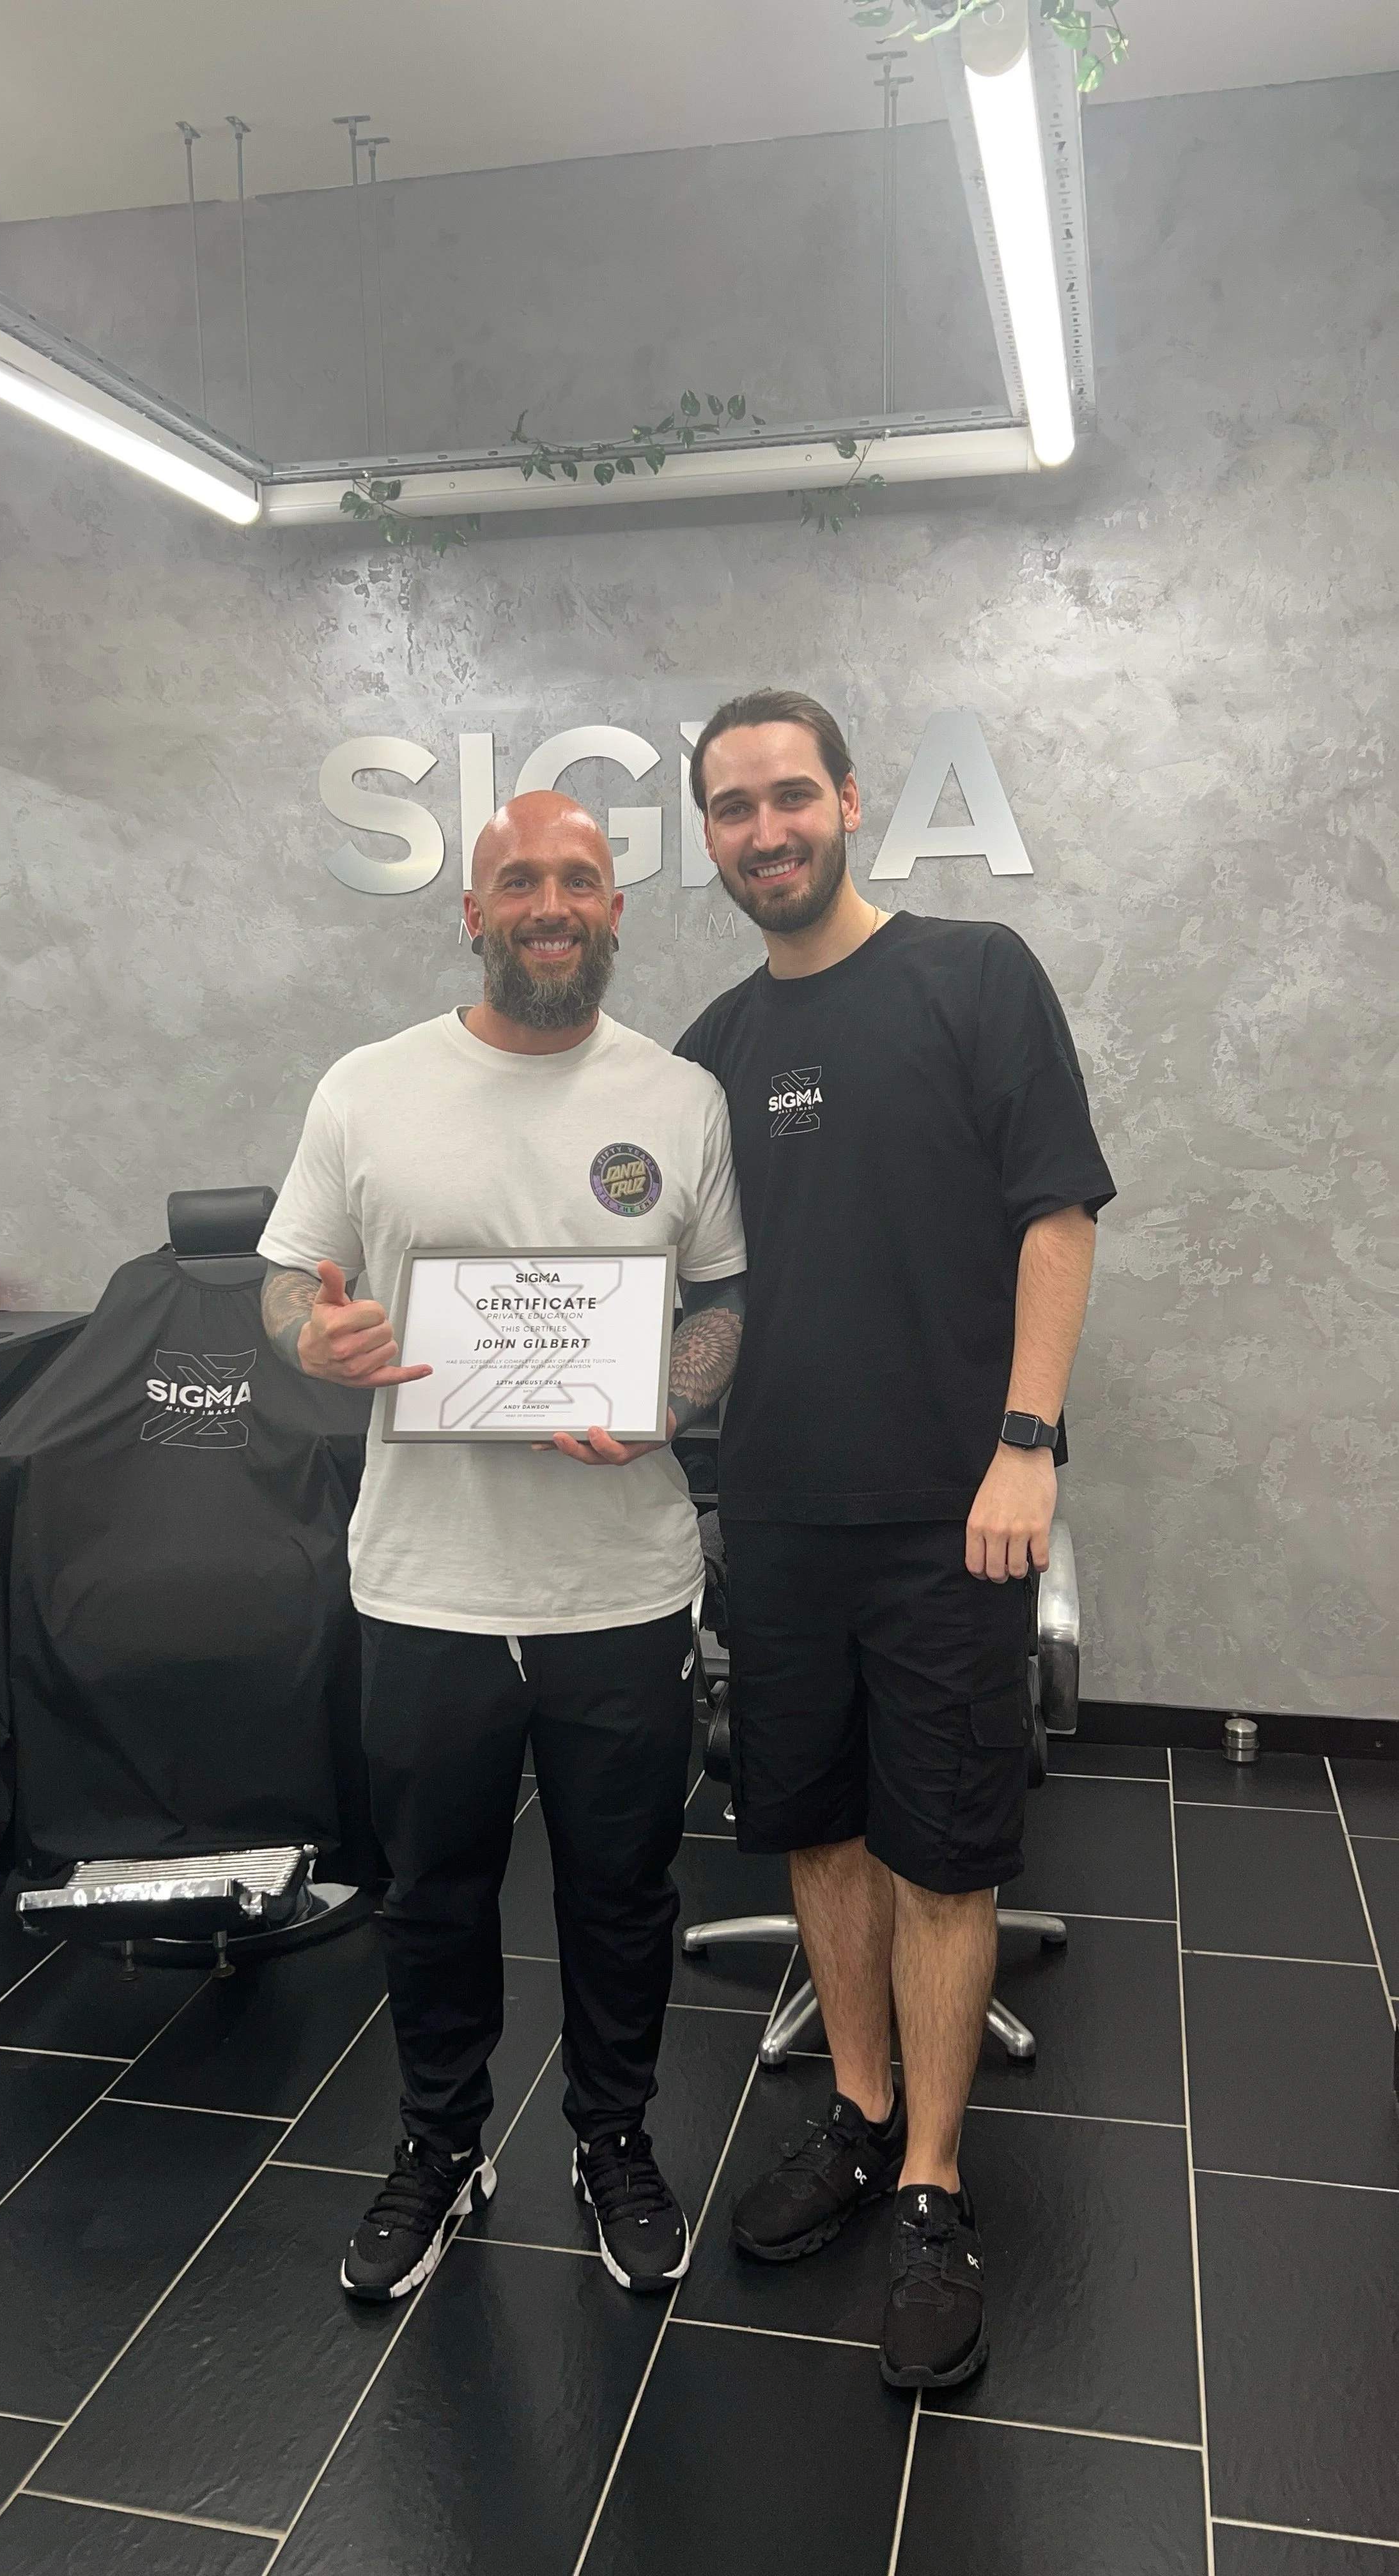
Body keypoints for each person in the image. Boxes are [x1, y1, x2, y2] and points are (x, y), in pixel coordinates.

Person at [675, 690, 1115, 2391]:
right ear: (705, 836)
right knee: (814, 1830)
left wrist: (1025, 1444)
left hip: (955, 1519)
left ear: (848, 802)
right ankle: (855, 2117)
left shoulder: (970, 976)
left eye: (790, 795)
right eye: (731, 808)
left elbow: (1055, 1214)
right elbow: (716, 1304)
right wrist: (629, 1394)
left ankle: (932, 2183)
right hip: (772, 1514)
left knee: (941, 1849)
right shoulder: (711, 1047)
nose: (765, 828)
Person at [259, 790, 746, 2303]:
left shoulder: (681, 1098)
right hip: (426, 1581)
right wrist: (316, 1343)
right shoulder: (367, 1088)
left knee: (621, 1890)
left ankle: (613, 2143)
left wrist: (667, 1397)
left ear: (615, 912)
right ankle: (438, 2145)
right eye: (520, 880)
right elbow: (287, 1292)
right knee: (434, 1892)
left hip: (621, 1582)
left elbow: (722, 1300)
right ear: (472, 912)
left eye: (581, 880)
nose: (552, 902)